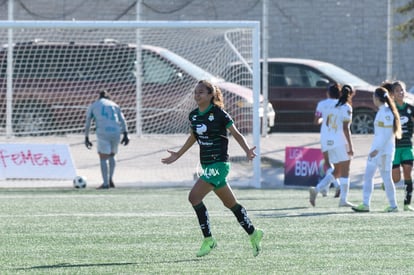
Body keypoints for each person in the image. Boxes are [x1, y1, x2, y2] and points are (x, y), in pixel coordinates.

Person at [161, 80, 263, 257]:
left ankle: (209, 240)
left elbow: (236, 134)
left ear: (210, 95)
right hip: (207, 164)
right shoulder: (194, 115)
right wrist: (178, 154)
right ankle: (254, 233)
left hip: (219, 164)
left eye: (201, 92)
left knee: (194, 197)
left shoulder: (219, 114)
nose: (197, 95)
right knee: (230, 204)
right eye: (196, 92)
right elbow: (194, 136)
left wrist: (247, 150)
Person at [352, 87, 402, 212]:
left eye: (374, 97)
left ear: (377, 98)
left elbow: (386, 135)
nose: (373, 99)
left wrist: (377, 149)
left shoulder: (386, 113)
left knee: (384, 177)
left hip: (383, 152)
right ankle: (367, 204)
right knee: (370, 176)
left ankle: (392, 205)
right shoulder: (381, 111)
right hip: (378, 151)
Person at [309, 85, 355, 207]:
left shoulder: (325, 105)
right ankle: (343, 200)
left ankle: (317, 189)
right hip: (340, 141)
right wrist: (350, 146)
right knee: (345, 171)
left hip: (327, 140)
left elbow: (318, 119)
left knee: (337, 170)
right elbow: (346, 128)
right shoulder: (346, 107)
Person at [84, 90, 130, 189]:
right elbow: (122, 119)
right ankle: (110, 179)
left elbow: (88, 122)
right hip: (116, 132)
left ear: (98, 97)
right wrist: (126, 134)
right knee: (112, 155)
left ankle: (105, 183)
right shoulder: (114, 105)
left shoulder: (94, 105)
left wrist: (86, 137)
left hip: (103, 132)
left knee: (103, 157)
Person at [312, 83, 342, 198]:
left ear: (328, 93)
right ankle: (327, 188)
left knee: (328, 163)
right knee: (335, 164)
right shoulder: (341, 105)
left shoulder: (322, 104)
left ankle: (336, 184)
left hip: (325, 136)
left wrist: (323, 120)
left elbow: (316, 120)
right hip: (337, 137)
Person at [389, 81, 414, 211]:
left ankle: (407, 203)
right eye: (398, 91)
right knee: (396, 178)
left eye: (402, 90)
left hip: (407, 147)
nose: (401, 93)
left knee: (408, 174)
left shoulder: (410, 108)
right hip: (394, 148)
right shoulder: (391, 110)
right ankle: (387, 184)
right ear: (392, 94)